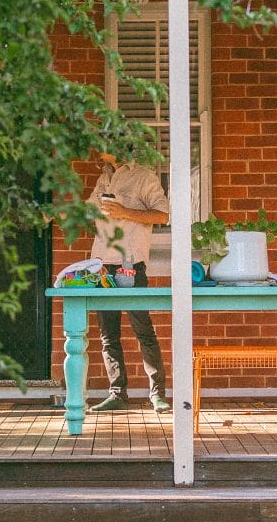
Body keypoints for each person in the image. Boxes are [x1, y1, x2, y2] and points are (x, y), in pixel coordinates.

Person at [86, 152, 172, 413]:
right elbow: (89, 213)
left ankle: (157, 395)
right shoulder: (104, 178)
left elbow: (162, 215)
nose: (98, 148)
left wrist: (124, 212)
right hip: (101, 265)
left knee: (142, 328)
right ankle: (117, 394)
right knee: (107, 334)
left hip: (130, 263)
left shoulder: (143, 175)